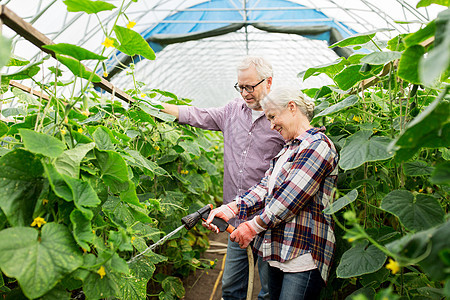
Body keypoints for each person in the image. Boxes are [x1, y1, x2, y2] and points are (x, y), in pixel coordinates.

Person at [160, 56, 285, 300]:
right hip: (235, 217)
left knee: (269, 290)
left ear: (269, 82)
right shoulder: (231, 111)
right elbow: (195, 115)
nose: (245, 93)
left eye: (250, 86)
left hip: (269, 220)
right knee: (230, 287)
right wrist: (147, 105)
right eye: (240, 86)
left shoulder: (280, 117)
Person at [206, 86, 338, 300]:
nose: (271, 125)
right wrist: (231, 208)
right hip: (277, 252)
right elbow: (264, 188)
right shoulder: (287, 150)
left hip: (302, 255)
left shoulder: (318, 145)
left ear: (292, 108)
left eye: (273, 117)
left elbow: (289, 198)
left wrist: (251, 226)